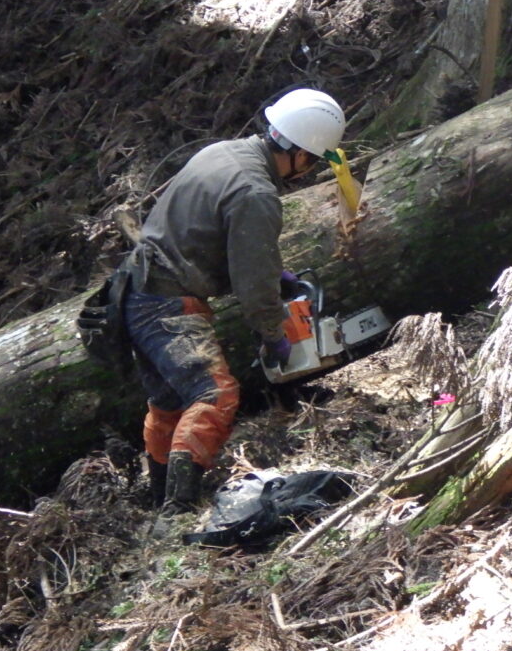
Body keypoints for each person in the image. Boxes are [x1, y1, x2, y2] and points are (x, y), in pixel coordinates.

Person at [119, 89, 346, 517]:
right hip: (165, 301)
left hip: (135, 287)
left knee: (169, 401)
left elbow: (216, 232)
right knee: (215, 394)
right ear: (298, 152)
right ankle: (178, 506)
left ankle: (157, 496)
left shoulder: (224, 152)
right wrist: (274, 333)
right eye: (313, 160)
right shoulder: (257, 193)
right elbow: (254, 285)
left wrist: (270, 272)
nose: (310, 169)